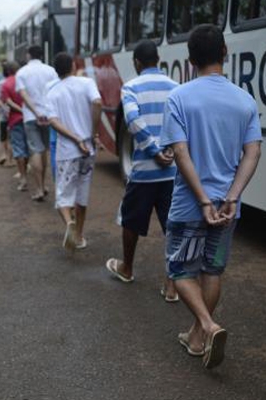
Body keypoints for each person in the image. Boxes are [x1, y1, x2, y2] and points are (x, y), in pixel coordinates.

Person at [160, 24, 262, 369]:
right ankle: (196, 337)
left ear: (190, 60)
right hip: (228, 209)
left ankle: (207, 326)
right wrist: (231, 196)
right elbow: (253, 153)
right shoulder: (245, 100)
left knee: (179, 270)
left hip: (191, 206)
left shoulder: (179, 98)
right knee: (212, 271)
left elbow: (181, 153)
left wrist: (203, 200)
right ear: (225, 54)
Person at [104, 40, 179, 303]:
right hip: (172, 172)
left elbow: (133, 121)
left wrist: (154, 151)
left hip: (145, 171)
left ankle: (126, 268)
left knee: (131, 220)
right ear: (157, 59)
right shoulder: (175, 88)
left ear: (137, 63)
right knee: (173, 226)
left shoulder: (131, 87)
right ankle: (172, 285)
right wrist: (168, 150)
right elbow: (181, 123)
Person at [45, 52, 102, 251]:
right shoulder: (86, 83)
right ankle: (79, 235)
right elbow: (97, 103)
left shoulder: (53, 92)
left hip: (67, 151)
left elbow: (52, 121)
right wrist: (92, 134)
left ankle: (69, 223)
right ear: (72, 66)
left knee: (63, 195)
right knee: (82, 193)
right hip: (89, 149)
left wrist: (75, 139)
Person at [15, 45, 58, 201]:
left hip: (30, 117)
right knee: (44, 151)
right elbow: (55, 91)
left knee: (35, 151)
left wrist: (35, 112)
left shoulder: (22, 72)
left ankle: (39, 188)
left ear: (28, 55)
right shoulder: (51, 70)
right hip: (49, 115)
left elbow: (23, 94)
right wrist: (45, 112)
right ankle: (44, 185)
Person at [0, 61, 29, 191]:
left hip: (15, 119)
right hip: (30, 118)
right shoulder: (26, 80)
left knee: (18, 148)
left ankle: (23, 177)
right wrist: (27, 110)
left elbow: (8, 102)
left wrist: (20, 110)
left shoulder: (5, 84)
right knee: (29, 147)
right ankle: (26, 172)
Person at [0, 60, 13, 167]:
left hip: (3, 114)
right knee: (12, 136)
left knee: (3, 136)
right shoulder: (15, 82)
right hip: (14, 113)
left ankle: (4, 154)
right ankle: (10, 158)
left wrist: (2, 108)